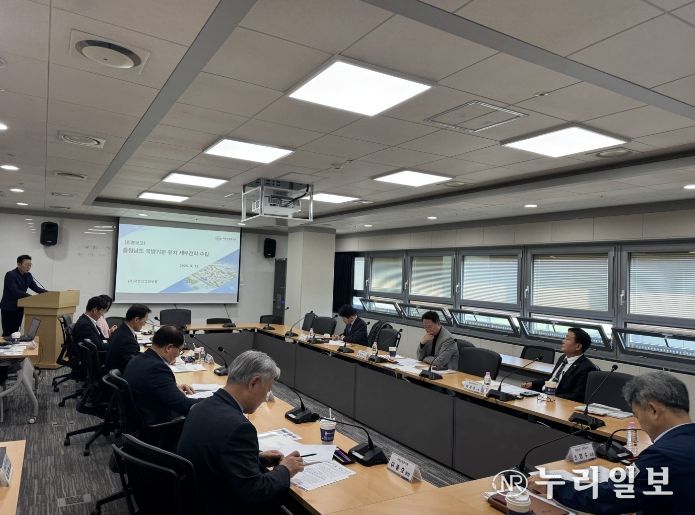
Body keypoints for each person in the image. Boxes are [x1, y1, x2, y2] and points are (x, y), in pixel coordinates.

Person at [530, 372, 695, 514]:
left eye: (637, 416)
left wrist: (552, 485)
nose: (640, 425)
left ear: (653, 410)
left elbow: (603, 498)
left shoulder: (663, 456)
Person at [177, 350, 305, 515]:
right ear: (254, 383)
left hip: (195, 500)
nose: (265, 398)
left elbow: (215, 453)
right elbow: (256, 492)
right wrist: (286, 469)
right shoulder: (239, 428)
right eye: (267, 390)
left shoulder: (200, 407)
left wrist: (255, 457)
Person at [123, 325, 199, 425]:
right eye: (179, 350)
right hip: (157, 423)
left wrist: (172, 388)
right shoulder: (157, 368)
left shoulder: (138, 358)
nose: (178, 354)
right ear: (169, 348)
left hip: (140, 414)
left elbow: (153, 387)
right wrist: (212, 400)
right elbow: (183, 405)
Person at [522, 327, 598, 402]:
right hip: (544, 396)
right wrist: (533, 384)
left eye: (567, 339)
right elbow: (551, 380)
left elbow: (577, 396)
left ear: (578, 346)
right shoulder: (563, 358)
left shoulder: (586, 368)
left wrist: (551, 397)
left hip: (557, 402)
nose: (563, 341)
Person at [0, 255, 47, 336]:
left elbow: (36, 288)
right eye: (26, 264)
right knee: (8, 333)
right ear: (19, 264)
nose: (28, 267)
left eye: (30, 265)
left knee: (15, 333)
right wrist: (30, 297)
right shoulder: (10, 275)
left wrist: (48, 293)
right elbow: (15, 291)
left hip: (20, 307)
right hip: (9, 308)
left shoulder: (28, 275)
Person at [105, 304, 150, 373]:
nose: (144, 324)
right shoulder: (128, 340)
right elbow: (134, 365)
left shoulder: (122, 329)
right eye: (144, 321)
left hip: (114, 368)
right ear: (136, 319)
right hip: (122, 374)